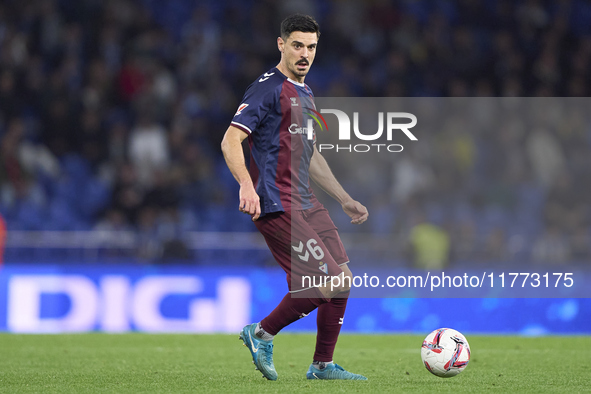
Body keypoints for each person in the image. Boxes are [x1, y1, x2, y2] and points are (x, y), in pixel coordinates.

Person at [221, 14, 369, 381]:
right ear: (281, 44)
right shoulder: (268, 87)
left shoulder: (305, 92)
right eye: (298, 45)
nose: (305, 53)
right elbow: (231, 139)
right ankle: (260, 333)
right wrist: (244, 184)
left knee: (344, 278)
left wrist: (343, 198)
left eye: (312, 47)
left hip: (306, 202)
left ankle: (322, 366)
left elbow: (312, 153)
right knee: (329, 281)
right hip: (276, 201)